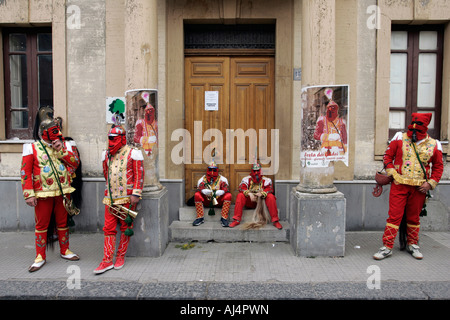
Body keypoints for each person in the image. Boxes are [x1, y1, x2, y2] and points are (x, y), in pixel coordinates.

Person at [373, 113, 443, 260]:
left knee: (414, 218)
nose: (414, 134)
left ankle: (413, 244)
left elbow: (438, 167)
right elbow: (387, 157)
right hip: (399, 185)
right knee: (394, 217)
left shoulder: (434, 144)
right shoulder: (399, 138)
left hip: (419, 188)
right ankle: (387, 246)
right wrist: (392, 173)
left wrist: (430, 183)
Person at [21, 107, 81, 272]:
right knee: (42, 224)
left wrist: (60, 149)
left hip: (63, 191)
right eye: (52, 131)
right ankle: (40, 256)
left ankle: (65, 250)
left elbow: (75, 163)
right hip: (42, 193)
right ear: (43, 132)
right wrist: (28, 194)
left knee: (63, 223)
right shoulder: (31, 148)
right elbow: (25, 172)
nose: (56, 133)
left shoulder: (65, 145)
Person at [94, 122, 145, 274]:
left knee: (126, 227)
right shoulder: (106, 154)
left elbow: (139, 174)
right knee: (108, 228)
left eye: (114, 139)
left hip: (127, 199)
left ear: (122, 139)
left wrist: (136, 193)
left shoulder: (133, 153)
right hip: (110, 198)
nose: (111, 142)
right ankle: (107, 260)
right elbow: (106, 173)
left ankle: (120, 256)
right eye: (109, 138)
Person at [230, 162, 282, 229]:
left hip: (261, 204)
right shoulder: (246, 179)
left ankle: (275, 220)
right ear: (252, 171)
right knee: (240, 195)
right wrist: (249, 193)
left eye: (258, 171)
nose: (256, 173)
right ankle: (236, 219)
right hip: (250, 201)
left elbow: (270, 189)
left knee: (271, 197)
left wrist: (262, 193)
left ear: (261, 171)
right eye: (254, 171)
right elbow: (241, 188)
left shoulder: (266, 180)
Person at [193, 161, 231, 227]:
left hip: (218, 201)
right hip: (207, 201)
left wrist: (222, 191)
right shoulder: (202, 179)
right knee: (197, 195)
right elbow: (199, 188)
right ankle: (200, 217)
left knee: (228, 195)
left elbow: (226, 188)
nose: (212, 172)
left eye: (214, 170)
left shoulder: (222, 179)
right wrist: (202, 190)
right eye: (210, 170)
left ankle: (224, 217)